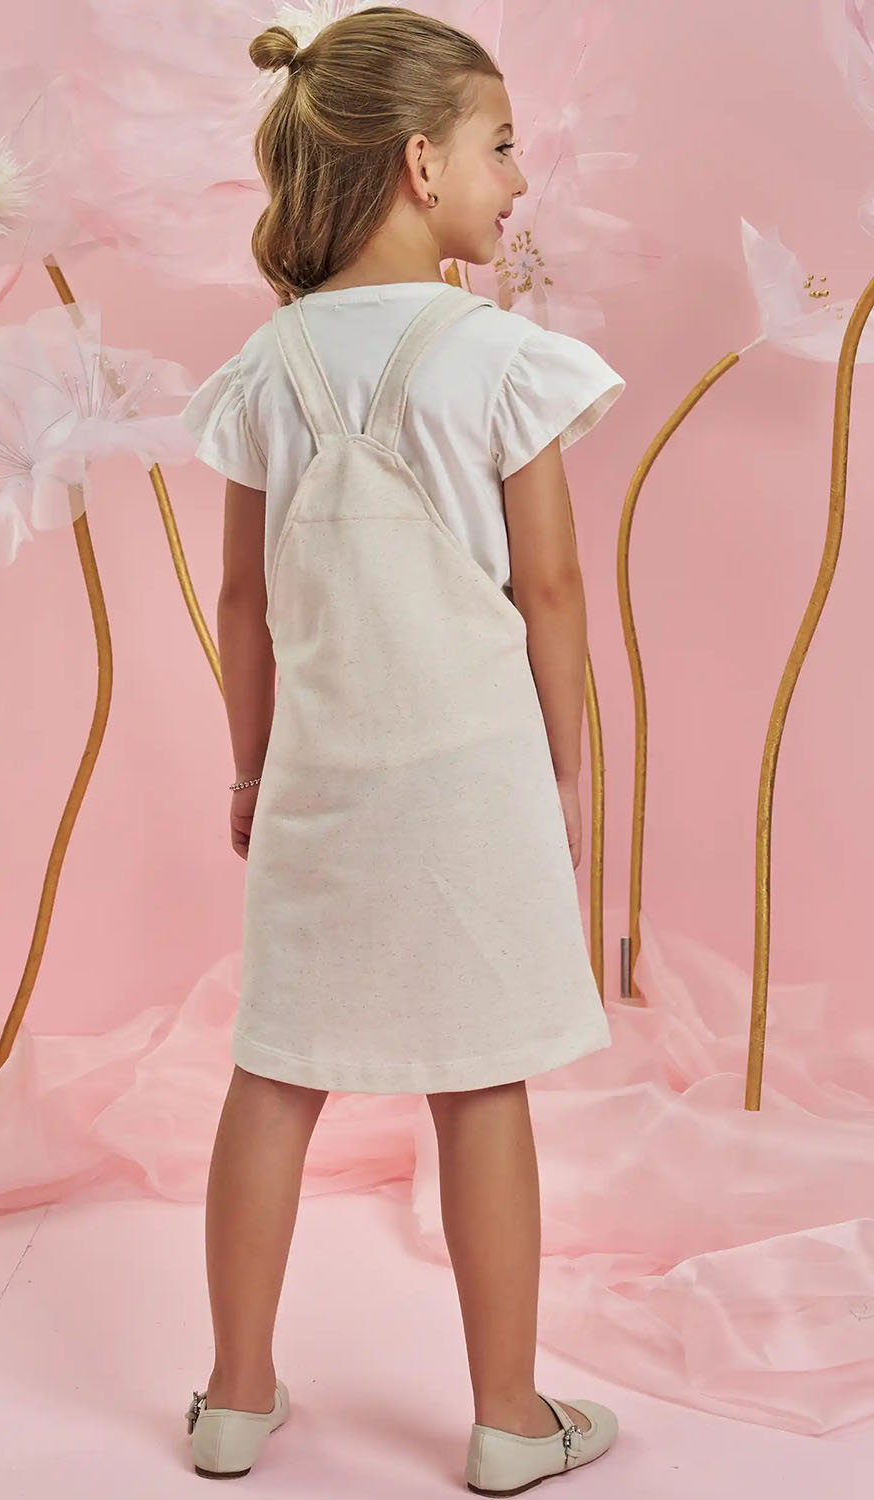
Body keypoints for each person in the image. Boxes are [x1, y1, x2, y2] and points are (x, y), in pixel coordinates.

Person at [179, 8, 626, 1493]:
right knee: (479, 1089)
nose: (520, 179)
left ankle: (235, 1398)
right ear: (424, 164)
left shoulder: (269, 367)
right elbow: (549, 588)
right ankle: (508, 1419)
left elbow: (243, 603)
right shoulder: (501, 358)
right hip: (472, 783)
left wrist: (253, 768)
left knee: (275, 1074)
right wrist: (561, 773)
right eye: (502, 147)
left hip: (324, 781)